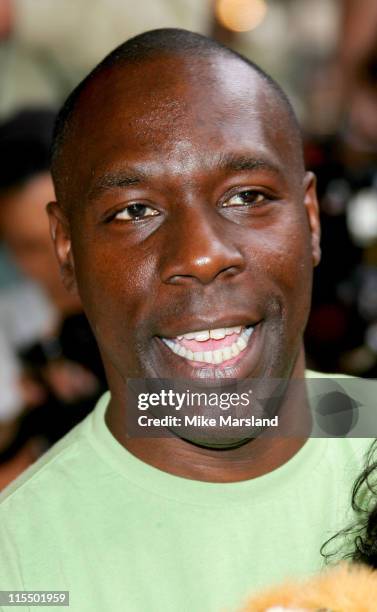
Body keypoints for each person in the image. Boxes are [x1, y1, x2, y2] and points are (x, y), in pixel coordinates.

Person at [0, 29, 371, 612]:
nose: (201, 254)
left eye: (246, 196)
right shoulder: (21, 564)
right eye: (135, 211)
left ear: (310, 220)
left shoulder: (366, 429)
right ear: (66, 249)